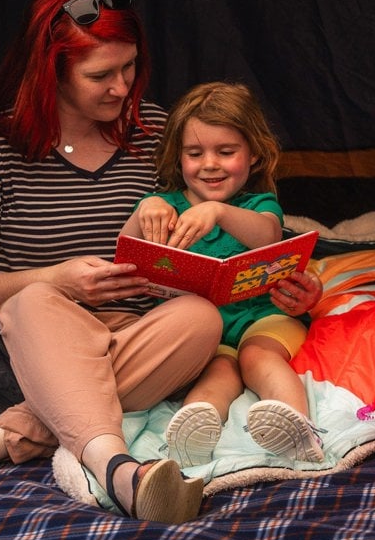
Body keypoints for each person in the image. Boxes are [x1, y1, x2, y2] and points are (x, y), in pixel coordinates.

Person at [0, 0, 320, 524]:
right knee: (34, 301)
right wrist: (57, 278)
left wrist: (276, 283)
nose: (122, 88)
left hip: (144, 334)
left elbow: (218, 231)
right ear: (52, 72)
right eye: (101, 75)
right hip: (41, 334)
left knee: (198, 319)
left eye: (130, 67)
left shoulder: (155, 134)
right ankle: (115, 467)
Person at [120, 82, 325, 468]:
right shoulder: (164, 206)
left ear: (253, 155)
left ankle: (299, 429)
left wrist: (218, 212)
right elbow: (128, 254)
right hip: (208, 334)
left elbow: (268, 234)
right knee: (217, 374)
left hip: (265, 318)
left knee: (256, 357)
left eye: (226, 152)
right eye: (195, 153)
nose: (210, 164)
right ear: (177, 158)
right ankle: (190, 439)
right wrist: (144, 208)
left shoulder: (258, 205)